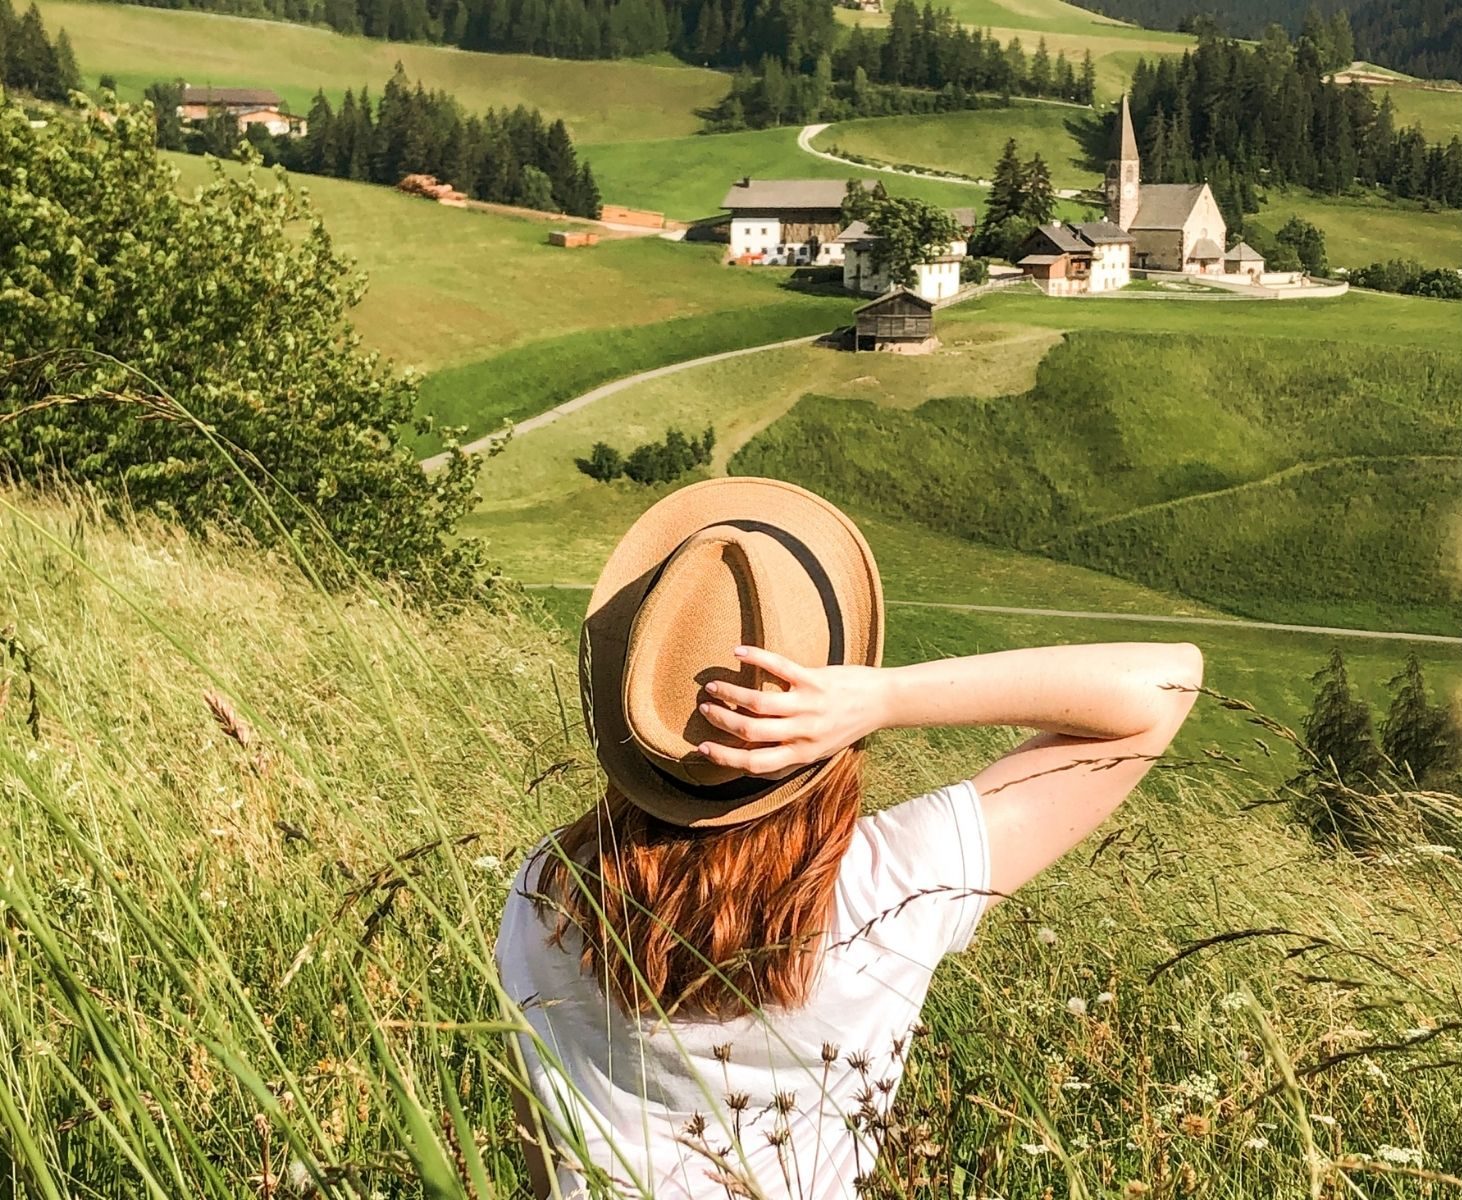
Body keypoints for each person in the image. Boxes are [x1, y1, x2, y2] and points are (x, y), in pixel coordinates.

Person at [495, 477, 1202, 1200]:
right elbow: (1168, 683)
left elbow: (544, 1159)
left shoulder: (546, 889)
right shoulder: (891, 889)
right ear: (828, 719)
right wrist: (885, 697)